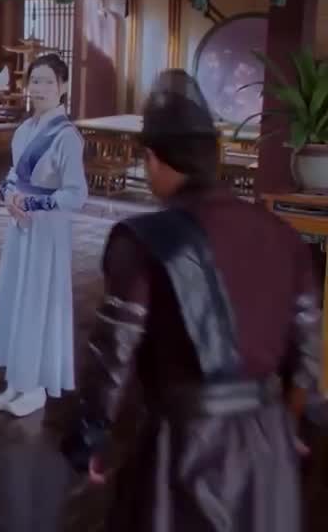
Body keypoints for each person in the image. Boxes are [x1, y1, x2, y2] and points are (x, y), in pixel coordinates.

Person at [62, 69, 322, 532]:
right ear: (213, 155)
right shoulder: (283, 236)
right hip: (267, 443)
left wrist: (90, 434)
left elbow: (113, 353)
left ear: (152, 158)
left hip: (184, 445)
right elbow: (307, 350)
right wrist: (291, 425)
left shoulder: (141, 240)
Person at [0, 53, 87, 417]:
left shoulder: (67, 137)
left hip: (47, 231)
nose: (39, 88)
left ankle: (36, 386)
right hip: (20, 225)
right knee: (17, 298)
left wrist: (35, 203)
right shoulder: (24, 130)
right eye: (35, 81)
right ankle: (17, 380)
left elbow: (76, 194)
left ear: (63, 86)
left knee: (40, 302)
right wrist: (9, 195)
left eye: (48, 81)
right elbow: (13, 175)